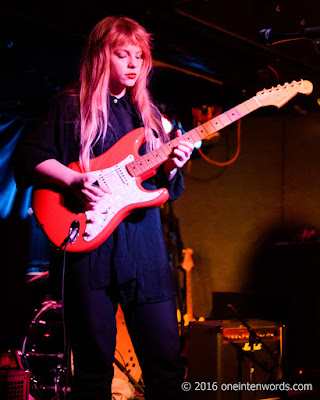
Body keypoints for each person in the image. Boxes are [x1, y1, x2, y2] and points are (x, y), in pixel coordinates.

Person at [14, 15, 194, 400]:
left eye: (140, 57)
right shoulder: (69, 106)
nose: (133, 64)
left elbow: (166, 188)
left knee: (166, 366)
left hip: (143, 253)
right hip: (88, 252)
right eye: (122, 55)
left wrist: (174, 165)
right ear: (101, 57)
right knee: (93, 371)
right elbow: (29, 156)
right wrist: (73, 179)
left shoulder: (151, 118)